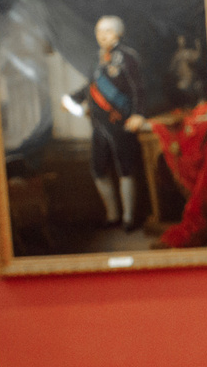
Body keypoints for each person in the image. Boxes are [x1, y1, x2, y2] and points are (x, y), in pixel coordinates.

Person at [62, 14, 147, 230]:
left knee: (125, 169)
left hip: (121, 122)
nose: (102, 36)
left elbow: (138, 88)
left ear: (118, 33)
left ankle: (129, 218)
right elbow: (91, 87)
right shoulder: (97, 59)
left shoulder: (128, 57)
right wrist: (73, 98)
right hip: (99, 124)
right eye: (99, 32)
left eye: (108, 31)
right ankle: (113, 215)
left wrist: (138, 114)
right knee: (99, 169)